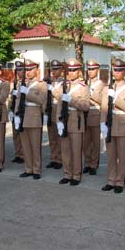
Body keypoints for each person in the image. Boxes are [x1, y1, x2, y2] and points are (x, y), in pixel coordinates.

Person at [100, 58, 125, 193]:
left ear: (124, 72)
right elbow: (103, 107)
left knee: (122, 155)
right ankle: (111, 180)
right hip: (110, 123)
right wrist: (102, 123)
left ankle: (120, 181)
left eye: (120, 70)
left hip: (121, 123)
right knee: (111, 155)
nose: (117, 72)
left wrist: (115, 97)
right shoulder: (107, 88)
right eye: (115, 69)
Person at [57, 58, 90, 186]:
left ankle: (76, 175)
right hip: (65, 120)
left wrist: (71, 100)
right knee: (65, 150)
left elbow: (86, 106)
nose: (70, 73)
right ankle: (67, 173)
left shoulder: (83, 87)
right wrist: (58, 120)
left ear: (78, 71)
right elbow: (60, 104)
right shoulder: (63, 85)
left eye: (73, 70)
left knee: (76, 150)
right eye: (68, 70)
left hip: (76, 120)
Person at [16, 59, 47, 179]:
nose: (27, 72)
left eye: (30, 69)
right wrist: (16, 114)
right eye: (26, 69)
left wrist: (27, 93)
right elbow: (18, 100)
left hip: (34, 117)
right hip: (23, 116)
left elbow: (41, 101)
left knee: (35, 146)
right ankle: (28, 168)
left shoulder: (41, 85)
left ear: (36, 70)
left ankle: (36, 170)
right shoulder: (23, 84)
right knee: (25, 145)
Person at [83, 59, 105, 176]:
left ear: (97, 70)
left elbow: (102, 100)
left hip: (95, 114)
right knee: (86, 142)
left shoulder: (101, 84)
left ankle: (93, 164)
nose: (90, 72)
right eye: (89, 69)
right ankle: (86, 163)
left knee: (95, 142)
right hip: (85, 114)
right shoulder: (84, 83)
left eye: (92, 69)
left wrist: (91, 93)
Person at [45, 59, 64, 170]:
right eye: (53, 68)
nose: (54, 71)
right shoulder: (50, 81)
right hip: (50, 110)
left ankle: (60, 159)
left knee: (59, 137)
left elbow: (60, 97)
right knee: (51, 137)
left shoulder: (64, 82)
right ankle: (54, 158)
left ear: (61, 70)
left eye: (56, 69)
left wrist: (51, 89)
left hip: (58, 110)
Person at [9, 60, 24, 164]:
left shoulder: (26, 83)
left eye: (20, 70)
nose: (18, 72)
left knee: (22, 134)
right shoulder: (14, 83)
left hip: (22, 112)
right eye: (17, 70)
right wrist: (10, 110)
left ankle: (23, 154)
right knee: (15, 134)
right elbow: (11, 99)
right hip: (15, 111)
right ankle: (18, 153)